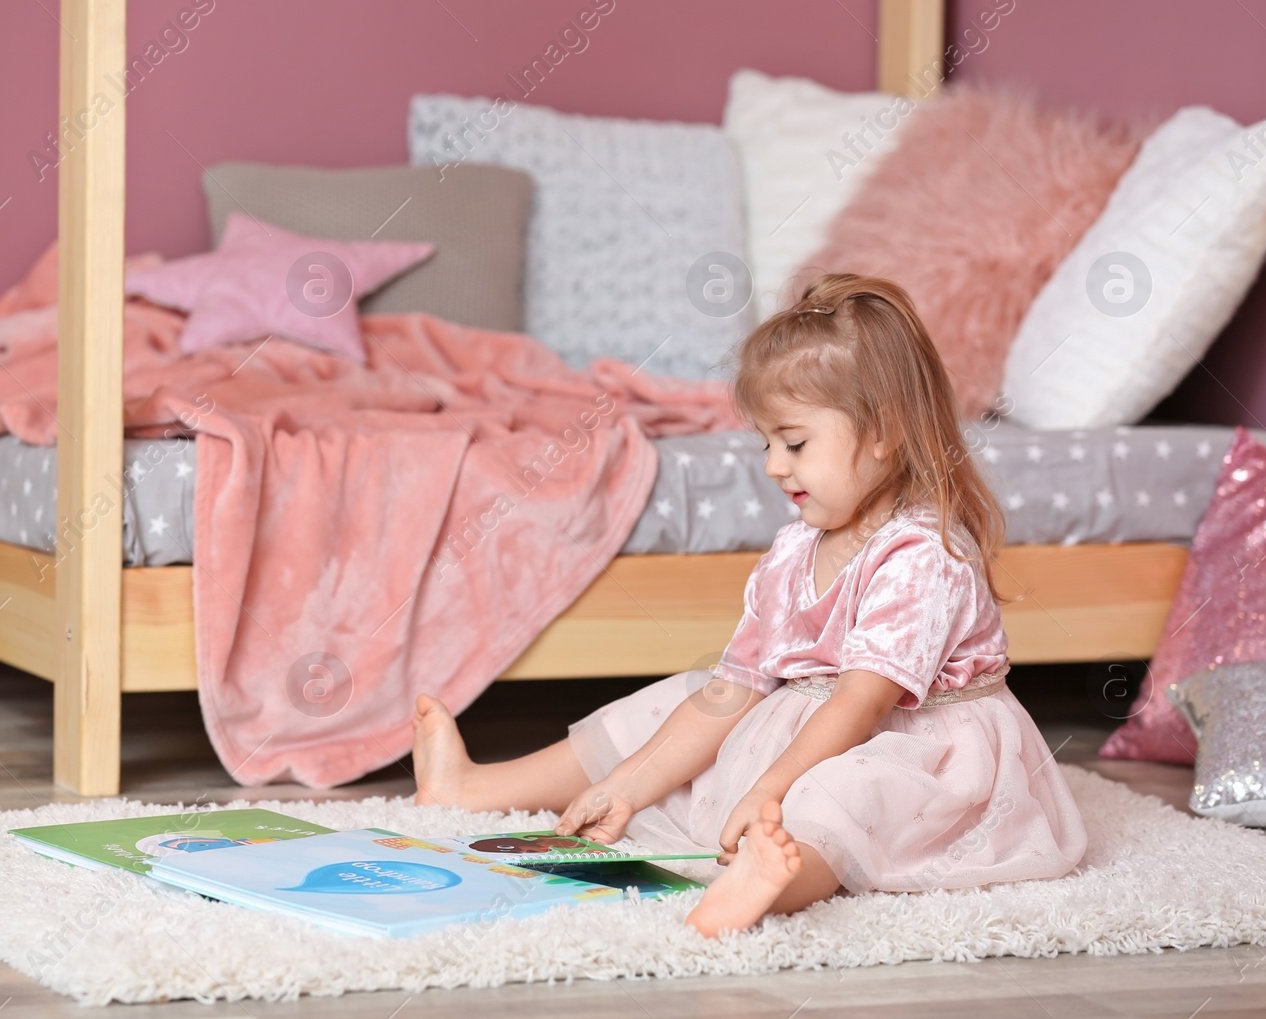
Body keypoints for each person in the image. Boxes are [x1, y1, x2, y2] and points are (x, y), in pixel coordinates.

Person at [411, 274, 1087, 936]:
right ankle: (472, 788)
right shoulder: (794, 550)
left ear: (883, 432)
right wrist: (627, 785)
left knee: (842, 794)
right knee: (682, 696)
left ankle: (771, 882)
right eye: (767, 443)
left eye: (794, 443)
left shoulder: (922, 554)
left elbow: (861, 705)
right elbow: (734, 690)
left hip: (920, 750)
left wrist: (769, 787)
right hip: (818, 722)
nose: (772, 465)